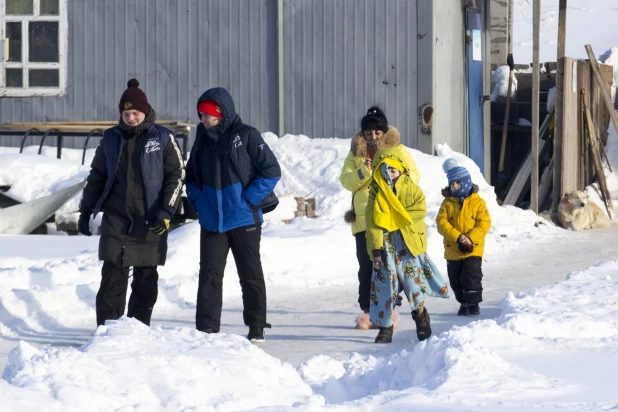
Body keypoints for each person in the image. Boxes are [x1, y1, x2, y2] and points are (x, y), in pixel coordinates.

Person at [78, 78, 185, 327]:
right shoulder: (111, 138)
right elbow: (97, 176)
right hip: (117, 217)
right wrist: (86, 210)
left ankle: (138, 329)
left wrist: (166, 210)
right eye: (126, 113)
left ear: (145, 112)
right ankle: (108, 330)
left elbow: (177, 174)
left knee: (145, 277)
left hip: (150, 217)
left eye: (135, 113)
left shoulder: (162, 137)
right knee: (112, 276)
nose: (131, 118)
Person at [185, 87, 281, 343]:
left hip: (243, 219)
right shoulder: (202, 139)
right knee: (209, 276)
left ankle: (256, 326)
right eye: (201, 115)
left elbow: (271, 171)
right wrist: (198, 200)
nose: (203, 120)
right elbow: (191, 176)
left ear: (222, 112)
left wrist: (247, 200)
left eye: (207, 115)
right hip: (212, 221)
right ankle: (206, 328)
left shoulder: (246, 135)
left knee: (250, 274)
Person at [339, 106, 421, 330]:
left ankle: (390, 307)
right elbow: (346, 181)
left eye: (377, 132)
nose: (373, 136)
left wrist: (396, 174)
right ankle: (368, 311)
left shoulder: (398, 150)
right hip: (364, 222)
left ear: (384, 132)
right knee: (366, 267)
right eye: (368, 132)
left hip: (389, 218)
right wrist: (363, 171)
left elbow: (414, 175)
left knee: (389, 266)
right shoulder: (356, 153)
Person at [365, 147, 451, 343]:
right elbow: (372, 223)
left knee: (413, 284)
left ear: (401, 170)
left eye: (393, 170)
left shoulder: (411, 188)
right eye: (385, 171)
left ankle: (421, 318)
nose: (390, 175)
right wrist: (376, 250)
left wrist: (396, 217)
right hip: (385, 245)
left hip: (407, 244)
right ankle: (385, 328)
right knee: (384, 286)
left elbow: (419, 210)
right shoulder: (376, 193)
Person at [436, 158, 491, 316]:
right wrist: (458, 236)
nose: (454, 187)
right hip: (453, 248)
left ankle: (473, 304)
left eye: (457, 183)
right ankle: (463, 301)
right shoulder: (447, 204)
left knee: (471, 276)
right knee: (455, 279)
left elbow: (484, 223)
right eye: (452, 184)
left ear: (466, 182)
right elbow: (441, 223)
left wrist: (470, 238)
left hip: (473, 248)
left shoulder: (478, 203)